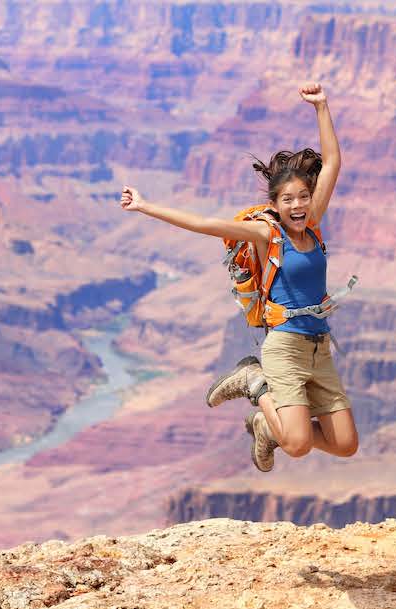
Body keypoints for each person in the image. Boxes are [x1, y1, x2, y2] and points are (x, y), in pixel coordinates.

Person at [119, 82, 358, 472]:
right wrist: (146, 206)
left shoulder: (313, 225)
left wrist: (322, 107)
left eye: (303, 197)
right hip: (284, 348)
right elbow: (204, 224)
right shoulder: (269, 235)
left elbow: (332, 162)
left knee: (345, 444)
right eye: (287, 200)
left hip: (320, 349)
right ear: (275, 205)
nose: (297, 205)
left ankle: (269, 424)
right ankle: (255, 382)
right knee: (296, 445)